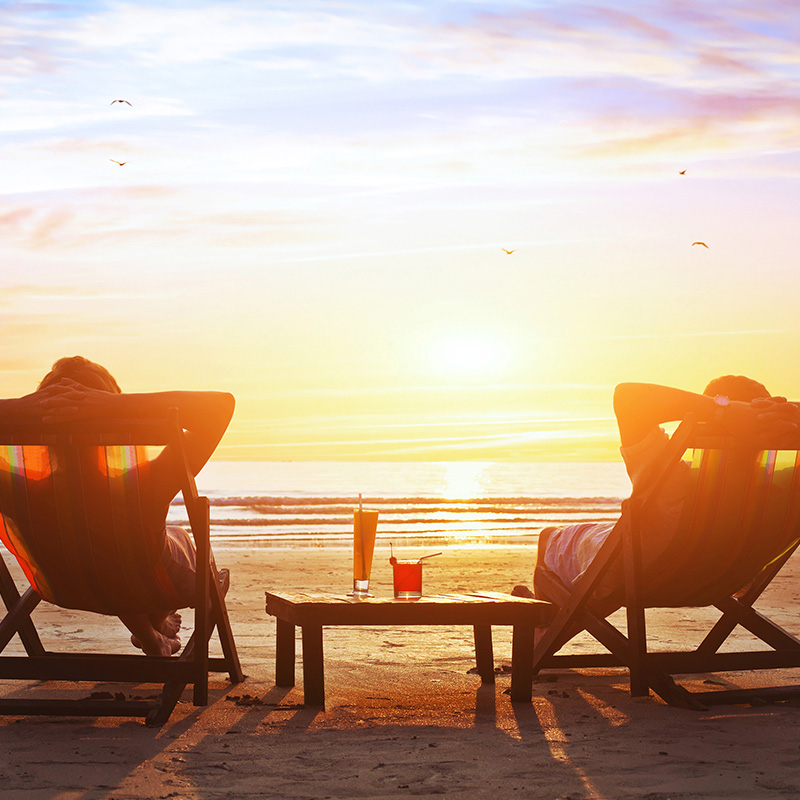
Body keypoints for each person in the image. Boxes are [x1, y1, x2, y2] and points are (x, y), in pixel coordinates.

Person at [0, 356, 235, 657]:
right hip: (150, 588)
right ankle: (156, 620)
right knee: (170, 541)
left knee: (110, 554)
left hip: (65, 588)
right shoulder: (144, 487)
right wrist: (109, 405)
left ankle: (153, 633)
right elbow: (221, 407)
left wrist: (25, 408)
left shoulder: (15, 490)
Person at [514, 376, 800, 609]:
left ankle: (544, 623)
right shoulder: (781, 493)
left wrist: (722, 409)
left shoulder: (672, 479)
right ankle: (555, 615)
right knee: (605, 542)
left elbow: (628, 396)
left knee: (550, 537)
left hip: (642, 575)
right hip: (721, 580)